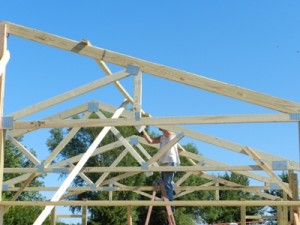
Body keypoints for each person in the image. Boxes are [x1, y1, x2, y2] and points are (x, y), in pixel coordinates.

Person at [142, 128, 180, 212]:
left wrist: (159, 124)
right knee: (165, 185)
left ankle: (170, 206)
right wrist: (143, 130)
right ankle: (167, 204)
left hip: (170, 161)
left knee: (167, 184)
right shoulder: (162, 137)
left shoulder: (172, 134)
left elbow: (168, 132)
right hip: (163, 163)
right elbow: (150, 141)